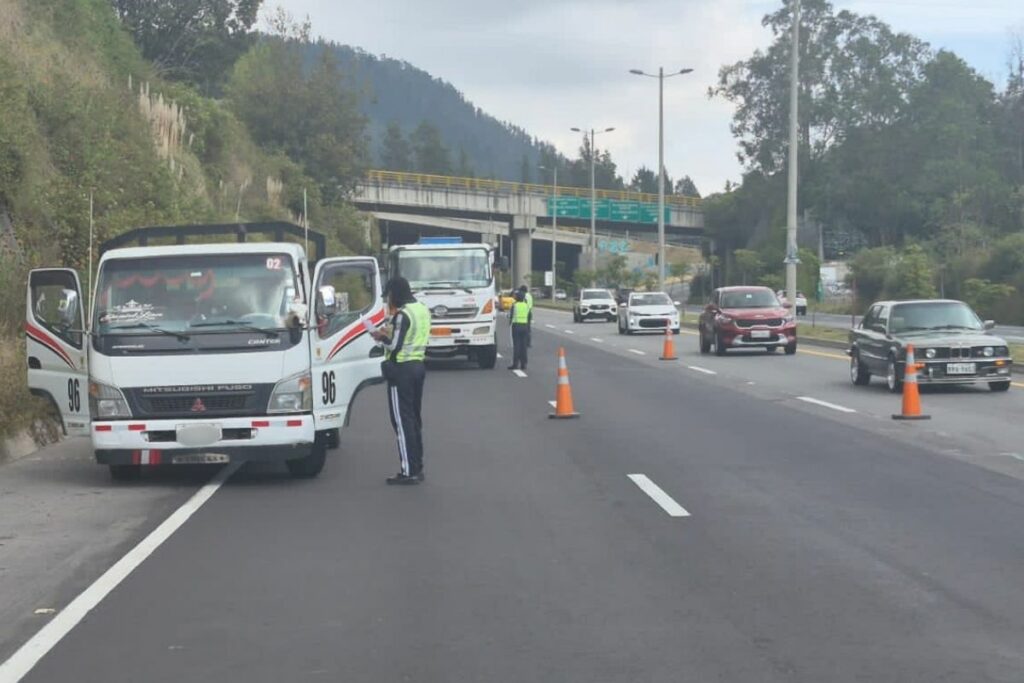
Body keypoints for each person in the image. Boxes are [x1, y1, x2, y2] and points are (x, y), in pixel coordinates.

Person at [371, 277, 430, 485]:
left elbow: (393, 345)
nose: (389, 298)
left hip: (401, 370)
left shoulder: (402, 315)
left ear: (395, 293)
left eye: (389, 294)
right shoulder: (422, 309)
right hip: (418, 367)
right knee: (413, 419)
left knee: (401, 422)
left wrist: (379, 336)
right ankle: (417, 465)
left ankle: (408, 471)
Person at [508, 289, 530, 371]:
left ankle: (515, 364)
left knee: (516, 346)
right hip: (525, 326)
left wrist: (510, 322)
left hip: (516, 326)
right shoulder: (526, 305)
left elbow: (510, 316)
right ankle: (524, 364)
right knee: (523, 346)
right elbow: (528, 315)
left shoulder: (515, 305)